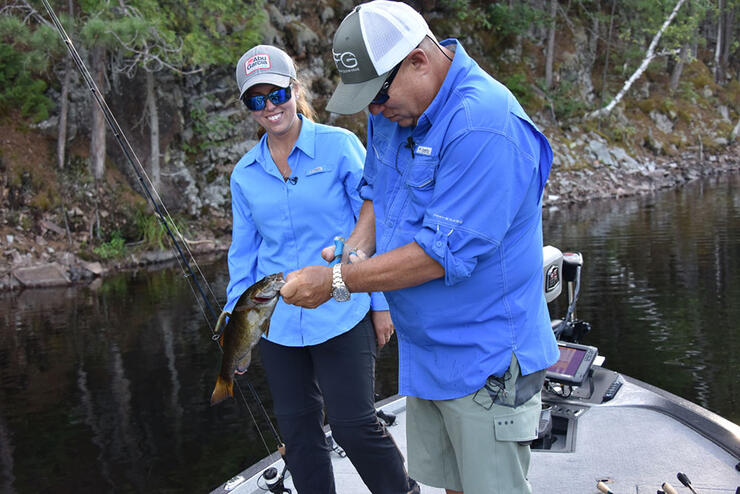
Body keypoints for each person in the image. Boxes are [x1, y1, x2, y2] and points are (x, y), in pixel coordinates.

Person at [280, 2, 560, 493]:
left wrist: (338, 282)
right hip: (428, 355)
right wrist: (357, 246)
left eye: (378, 95)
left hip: (486, 360)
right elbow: (376, 190)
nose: (373, 110)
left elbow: (438, 254)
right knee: (450, 485)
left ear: (418, 60)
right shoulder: (395, 108)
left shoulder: (483, 125)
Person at [226, 44, 418, 494]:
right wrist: (236, 333)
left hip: (343, 308)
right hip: (278, 328)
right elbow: (243, 258)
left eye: (276, 93)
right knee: (300, 436)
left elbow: (376, 226)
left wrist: (382, 304)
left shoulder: (340, 147)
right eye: (256, 100)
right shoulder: (244, 175)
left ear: (295, 88)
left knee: (354, 425)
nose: (269, 107)